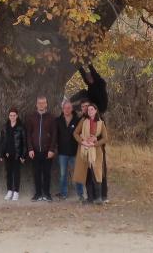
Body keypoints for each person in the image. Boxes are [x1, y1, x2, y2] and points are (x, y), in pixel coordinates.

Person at [78, 63, 111, 202]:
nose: (89, 78)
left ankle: (102, 194)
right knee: (88, 166)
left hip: (99, 114)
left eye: (90, 76)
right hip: (89, 134)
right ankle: (92, 196)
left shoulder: (99, 84)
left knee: (99, 165)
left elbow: (95, 76)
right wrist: (79, 66)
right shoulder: (89, 90)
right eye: (87, 77)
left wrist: (90, 65)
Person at [73, 101, 108, 204]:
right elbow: (75, 133)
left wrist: (95, 142)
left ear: (96, 111)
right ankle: (90, 198)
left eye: (92, 109)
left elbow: (106, 138)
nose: (90, 111)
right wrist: (82, 141)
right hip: (84, 151)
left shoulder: (100, 122)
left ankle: (98, 198)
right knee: (87, 174)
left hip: (96, 151)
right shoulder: (84, 121)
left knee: (96, 173)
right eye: (88, 110)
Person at [24, 95, 57, 201]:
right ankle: (38, 193)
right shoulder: (31, 117)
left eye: (43, 102)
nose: (41, 105)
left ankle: (47, 193)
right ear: (36, 104)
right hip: (35, 151)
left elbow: (54, 135)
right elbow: (28, 134)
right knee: (36, 173)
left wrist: (52, 149)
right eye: (39, 103)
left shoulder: (51, 117)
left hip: (47, 151)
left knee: (47, 173)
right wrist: (30, 149)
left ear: (46, 104)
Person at [0, 106, 27, 201]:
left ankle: (16, 192)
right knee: (8, 173)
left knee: (16, 173)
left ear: (17, 116)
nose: (12, 117)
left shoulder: (21, 128)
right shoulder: (5, 127)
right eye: (10, 115)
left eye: (14, 115)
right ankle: (9, 190)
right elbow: (2, 141)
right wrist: (1, 154)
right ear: (8, 116)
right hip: (7, 154)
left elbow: (24, 143)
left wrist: (23, 155)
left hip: (17, 155)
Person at [56, 98, 79, 200]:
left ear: (72, 108)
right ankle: (63, 193)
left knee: (77, 173)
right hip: (62, 153)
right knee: (62, 174)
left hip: (75, 152)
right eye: (65, 108)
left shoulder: (77, 120)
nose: (67, 110)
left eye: (69, 108)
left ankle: (80, 194)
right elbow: (55, 136)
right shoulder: (58, 120)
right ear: (62, 109)